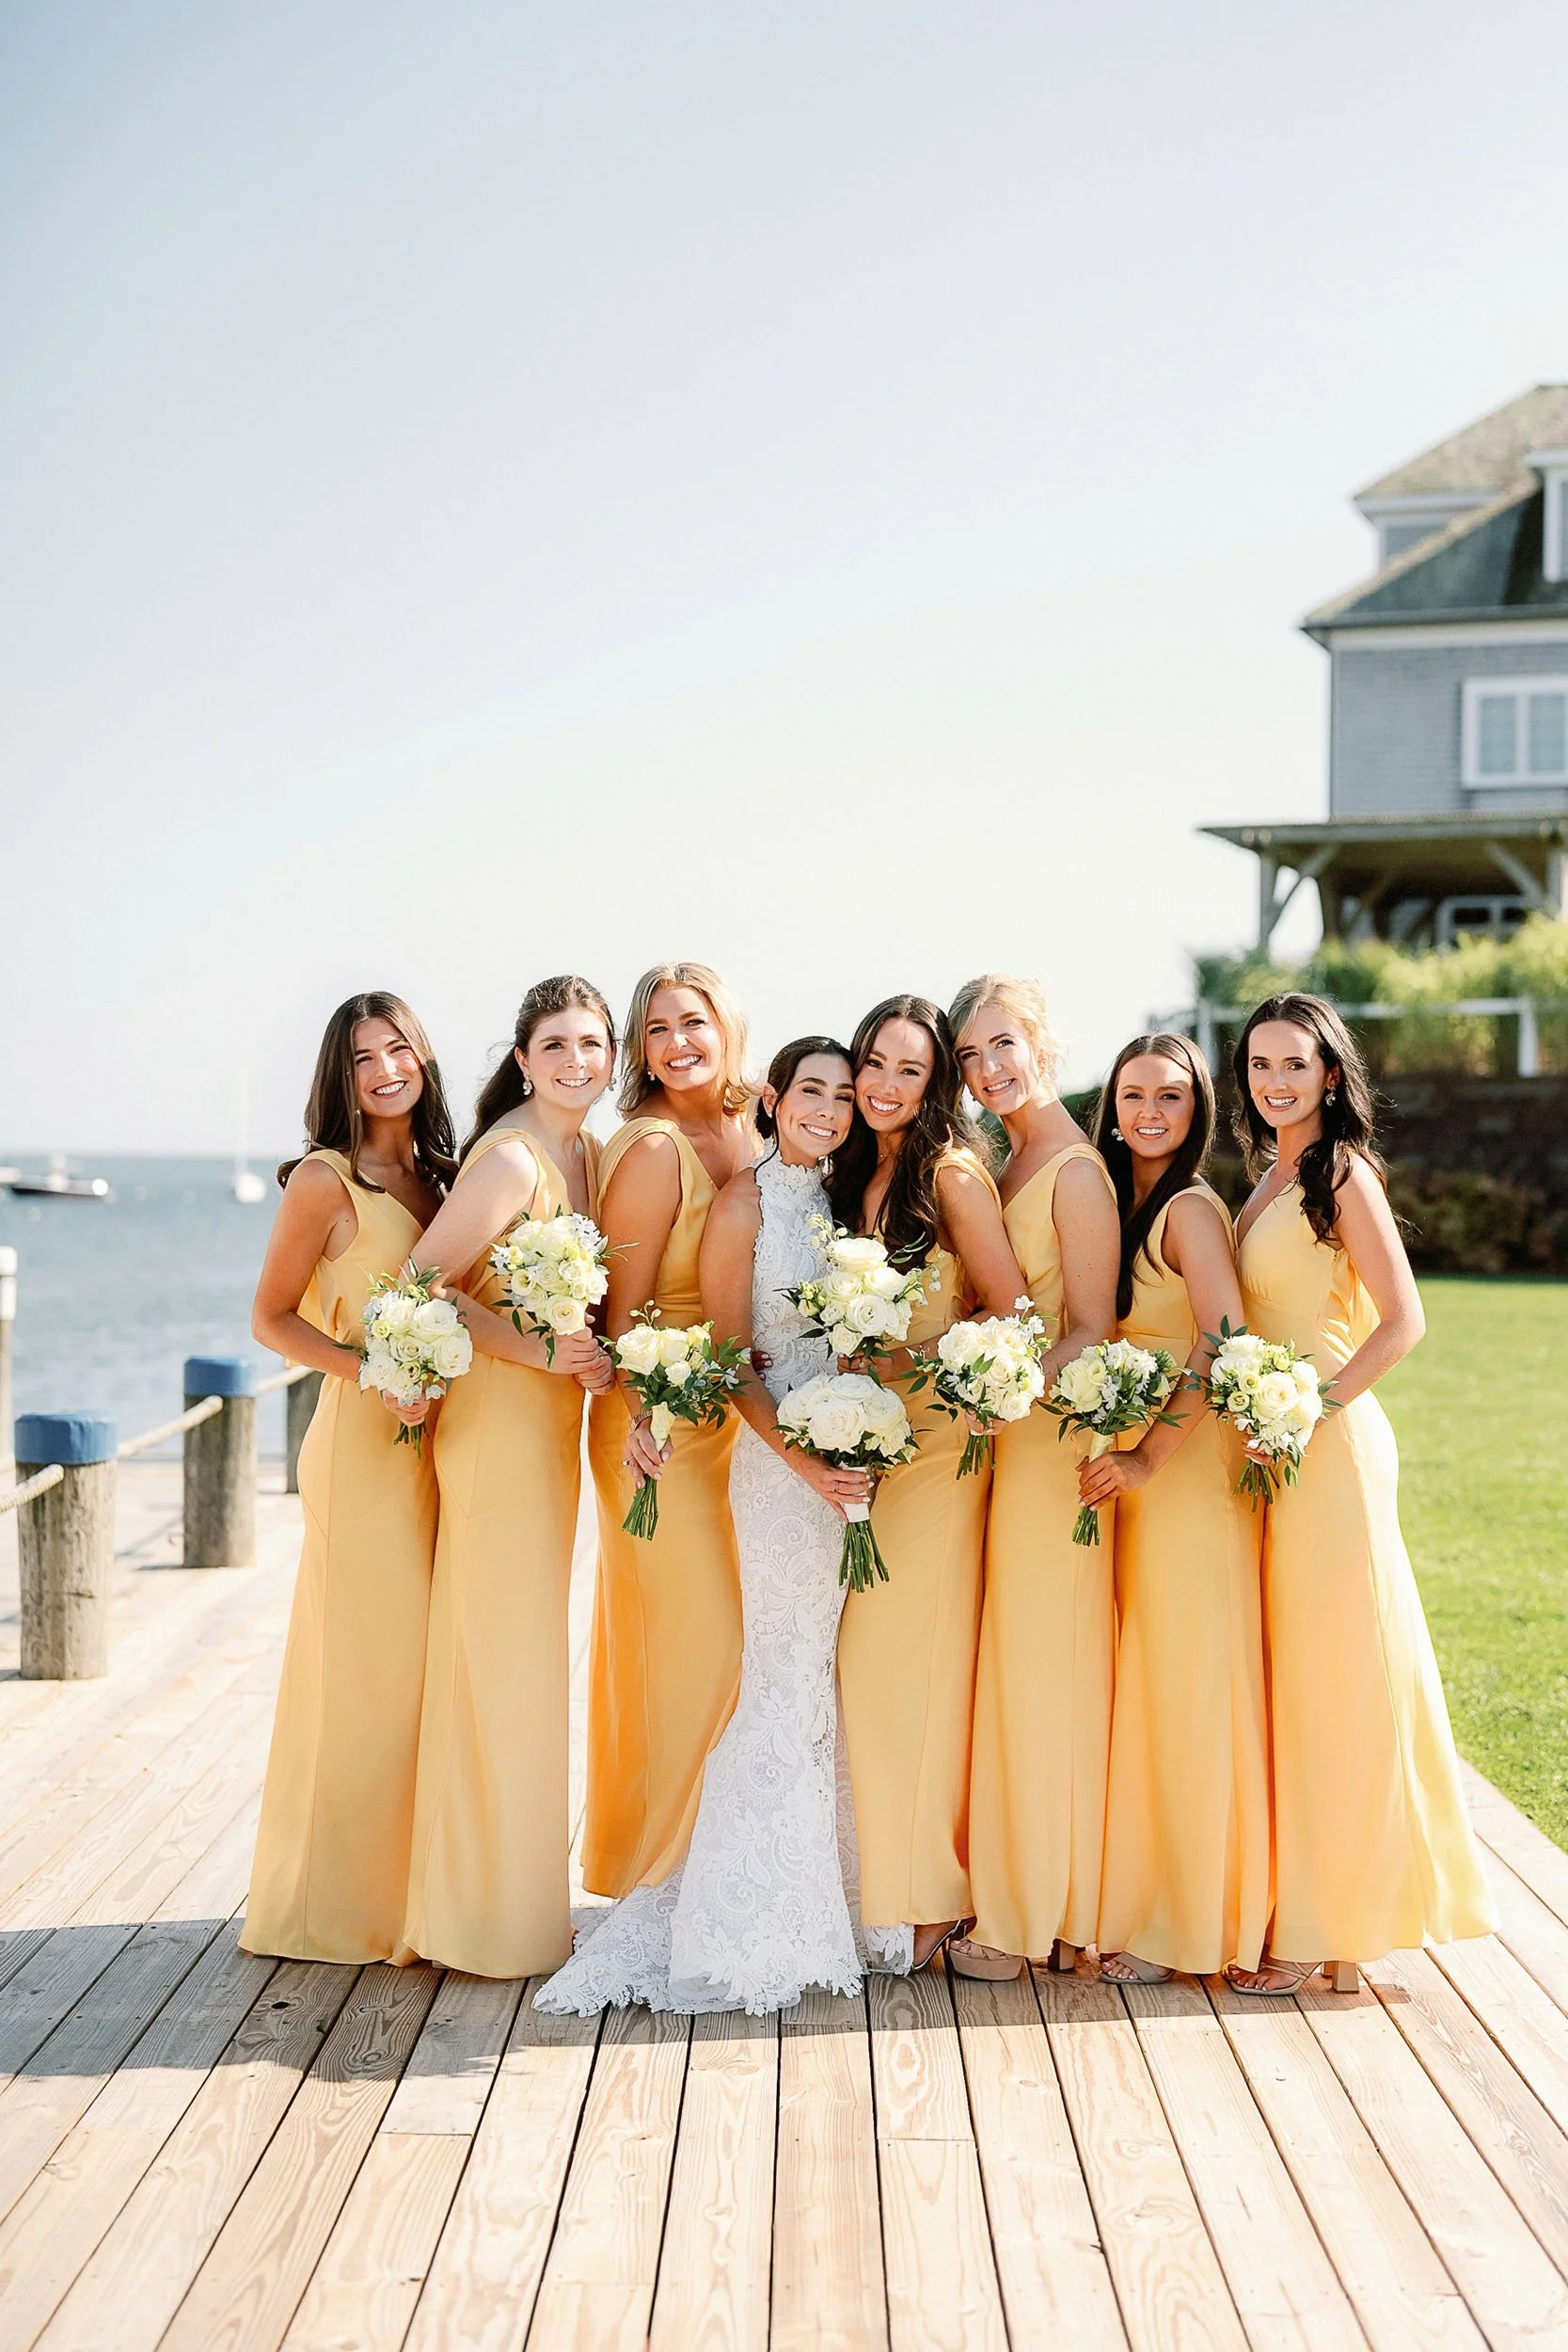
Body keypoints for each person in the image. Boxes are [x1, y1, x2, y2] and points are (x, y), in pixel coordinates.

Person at [538, 1040, 911, 2013]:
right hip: (775, 1458)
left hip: (846, 1457)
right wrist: (799, 1456)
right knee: (781, 1667)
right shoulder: (742, 1202)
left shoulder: (846, 1207)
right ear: (775, 1099)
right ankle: (752, 1913)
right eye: (811, 1093)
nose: (828, 1110)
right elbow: (735, 1357)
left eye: (842, 1095)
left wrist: (860, 1428)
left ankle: (839, 1895)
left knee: (827, 1668)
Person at [1227, 992, 1495, 1993]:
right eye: (1258, 1065)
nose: (1273, 1081)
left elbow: (1402, 1321)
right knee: (1299, 1682)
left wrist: (1303, 1410)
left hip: (1326, 1448)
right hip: (1273, 1450)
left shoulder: (1337, 1171)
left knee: (1335, 1682)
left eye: (1292, 1064)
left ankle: (1326, 1926)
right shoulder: (1267, 1175)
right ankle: (1319, 1916)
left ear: (1329, 1075)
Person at [399, 977, 616, 1979]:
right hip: (494, 1428)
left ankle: (517, 1899)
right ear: (522, 1057)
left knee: (524, 1664)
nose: (578, 1060)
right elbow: (417, 1286)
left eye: (593, 1042)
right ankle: (475, 1917)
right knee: (494, 1663)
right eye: (557, 1044)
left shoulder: (587, 1153)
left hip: (545, 1435)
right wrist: (533, 1354)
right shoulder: (512, 1159)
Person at [243, 993, 453, 1963]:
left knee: (426, 1677)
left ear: (421, 1057)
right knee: (366, 1676)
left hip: (447, 1452)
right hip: (362, 1453)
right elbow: (273, 1319)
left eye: (397, 1047)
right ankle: (340, 1906)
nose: (383, 1069)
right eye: (363, 1056)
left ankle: (417, 1892)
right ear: (340, 1074)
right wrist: (371, 1369)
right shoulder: (323, 1181)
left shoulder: (441, 1173)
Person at [832, 993, 1029, 1974]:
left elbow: (1010, 1309)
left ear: (933, 1085)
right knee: (863, 1671)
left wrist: (907, 1367)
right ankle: (878, 1878)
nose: (884, 1084)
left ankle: (926, 1897)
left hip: (938, 1451)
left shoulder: (951, 1175)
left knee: (900, 1667)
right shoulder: (847, 1171)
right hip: (859, 1455)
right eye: (875, 1061)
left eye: (910, 1070)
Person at [1080, 1033, 1270, 1983]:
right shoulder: (1114, 1199)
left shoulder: (1189, 1209)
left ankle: (1187, 1923)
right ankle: (1145, 1895)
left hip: (1183, 1476)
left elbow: (1222, 1337)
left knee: (1187, 1688)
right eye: (1132, 1094)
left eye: (1170, 1096)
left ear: (1196, 1109)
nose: (1149, 1112)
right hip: (1132, 1476)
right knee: (1149, 1686)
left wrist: (1152, 1450)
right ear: (1109, 1104)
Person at [945, 976, 1119, 1980]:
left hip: (1051, 1448)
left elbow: (1089, 1323)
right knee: (1011, 1668)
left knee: (1040, 1668)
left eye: (1001, 1044)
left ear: (1041, 1041)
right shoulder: (1005, 1163)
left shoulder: (1076, 1171)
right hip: (1002, 1445)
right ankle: (1028, 1896)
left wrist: (1006, 1388)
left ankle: (1025, 1921)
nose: (987, 1069)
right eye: (970, 1056)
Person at [581, 961, 756, 1898]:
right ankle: (667, 1869)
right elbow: (621, 1316)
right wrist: (649, 1412)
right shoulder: (649, 1150)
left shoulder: (756, 1123)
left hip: (750, 1418)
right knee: (694, 1642)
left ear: (726, 1024)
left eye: (692, 1020)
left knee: (753, 1637)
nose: (676, 1042)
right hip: (659, 1421)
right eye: (656, 1028)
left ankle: (733, 1857)